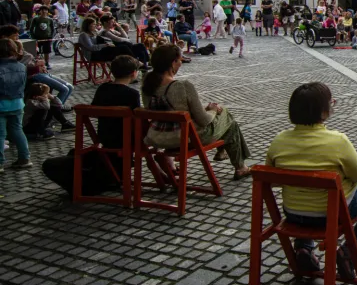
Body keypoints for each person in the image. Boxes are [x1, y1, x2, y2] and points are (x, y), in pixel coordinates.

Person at [265, 82, 357, 275]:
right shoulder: (338, 141)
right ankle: (349, 251)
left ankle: (303, 248)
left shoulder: (279, 140)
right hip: (330, 215)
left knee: (306, 196)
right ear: (324, 112)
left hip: (293, 213)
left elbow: (271, 179)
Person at [141, 44, 251, 179]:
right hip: (185, 138)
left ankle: (224, 154)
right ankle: (240, 167)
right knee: (227, 117)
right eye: (180, 60)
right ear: (173, 62)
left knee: (223, 119)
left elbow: (168, 110)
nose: (181, 63)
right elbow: (203, 120)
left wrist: (205, 108)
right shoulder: (182, 86)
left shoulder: (147, 83)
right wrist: (213, 110)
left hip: (158, 137)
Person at [42, 55, 141, 195]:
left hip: (105, 136)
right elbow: (134, 117)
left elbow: (94, 109)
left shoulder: (103, 88)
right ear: (133, 73)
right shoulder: (132, 94)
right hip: (123, 139)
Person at [0, 38, 30, 172]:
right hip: (18, 103)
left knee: (0, 135)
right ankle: (24, 158)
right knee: (17, 131)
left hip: (1, 104)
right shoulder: (21, 66)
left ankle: (0, 163)